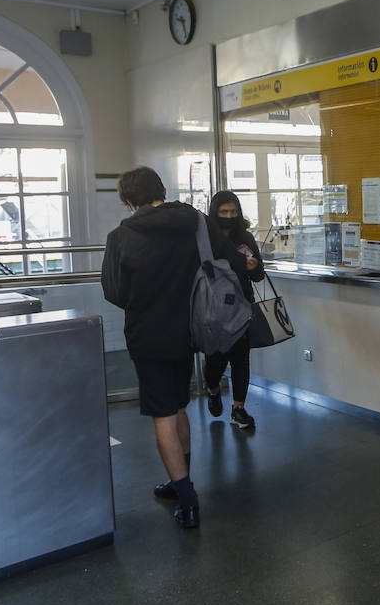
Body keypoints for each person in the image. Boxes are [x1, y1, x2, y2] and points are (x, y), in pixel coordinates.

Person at [101, 167, 244, 529]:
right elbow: (229, 256)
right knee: (180, 405)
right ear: (162, 189)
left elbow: (114, 292)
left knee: (164, 414)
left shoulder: (121, 236)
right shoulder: (195, 221)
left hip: (148, 335)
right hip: (191, 330)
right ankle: (181, 482)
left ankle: (187, 498)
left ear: (128, 200)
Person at [203, 190, 263, 429]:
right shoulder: (206, 241)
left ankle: (238, 408)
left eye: (233, 211)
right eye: (224, 212)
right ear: (215, 213)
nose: (229, 216)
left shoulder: (245, 239)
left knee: (241, 360)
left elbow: (258, 276)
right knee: (216, 360)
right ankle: (213, 388)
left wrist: (253, 266)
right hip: (214, 309)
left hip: (242, 307)